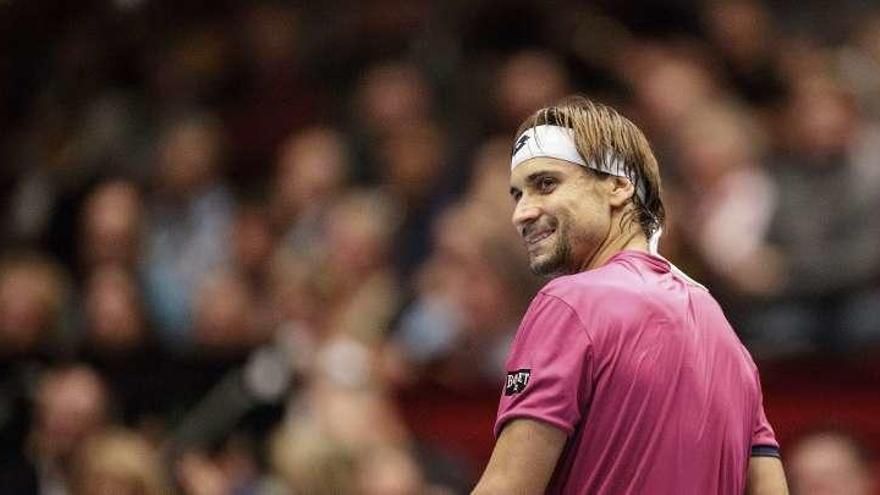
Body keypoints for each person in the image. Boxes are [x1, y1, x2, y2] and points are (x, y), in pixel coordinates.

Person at [472, 96, 788, 494]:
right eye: (518, 195)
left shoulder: (569, 303)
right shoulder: (724, 332)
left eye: (546, 184)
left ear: (618, 186)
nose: (522, 213)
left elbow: (507, 487)